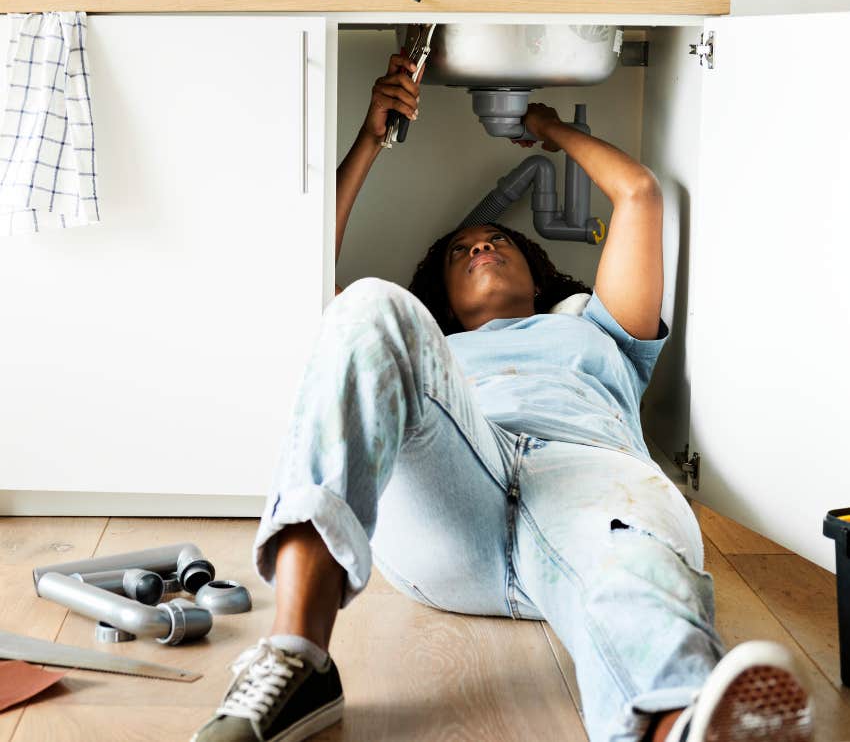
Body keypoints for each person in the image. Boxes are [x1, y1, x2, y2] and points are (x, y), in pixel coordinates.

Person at [191, 54, 814, 742]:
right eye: (462, 252)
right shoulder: (433, 350)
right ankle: (297, 660)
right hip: (450, 500)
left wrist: (550, 127)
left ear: (536, 271)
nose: (482, 244)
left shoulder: (595, 328)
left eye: (497, 241)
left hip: (590, 485)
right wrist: (371, 139)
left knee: (636, 563)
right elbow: (303, 280)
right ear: (444, 302)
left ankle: (679, 722)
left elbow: (637, 193)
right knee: (366, 304)